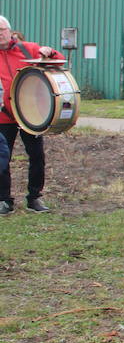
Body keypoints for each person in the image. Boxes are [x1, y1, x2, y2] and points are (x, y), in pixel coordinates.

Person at [0, 15, 64, 213]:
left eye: (1, 30)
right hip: (3, 116)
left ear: (10, 31)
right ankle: (4, 200)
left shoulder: (28, 49)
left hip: (31, 114)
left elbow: (59, 61)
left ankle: (34, 198)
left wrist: (49, 51)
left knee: (37, 156)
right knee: (3, 157)